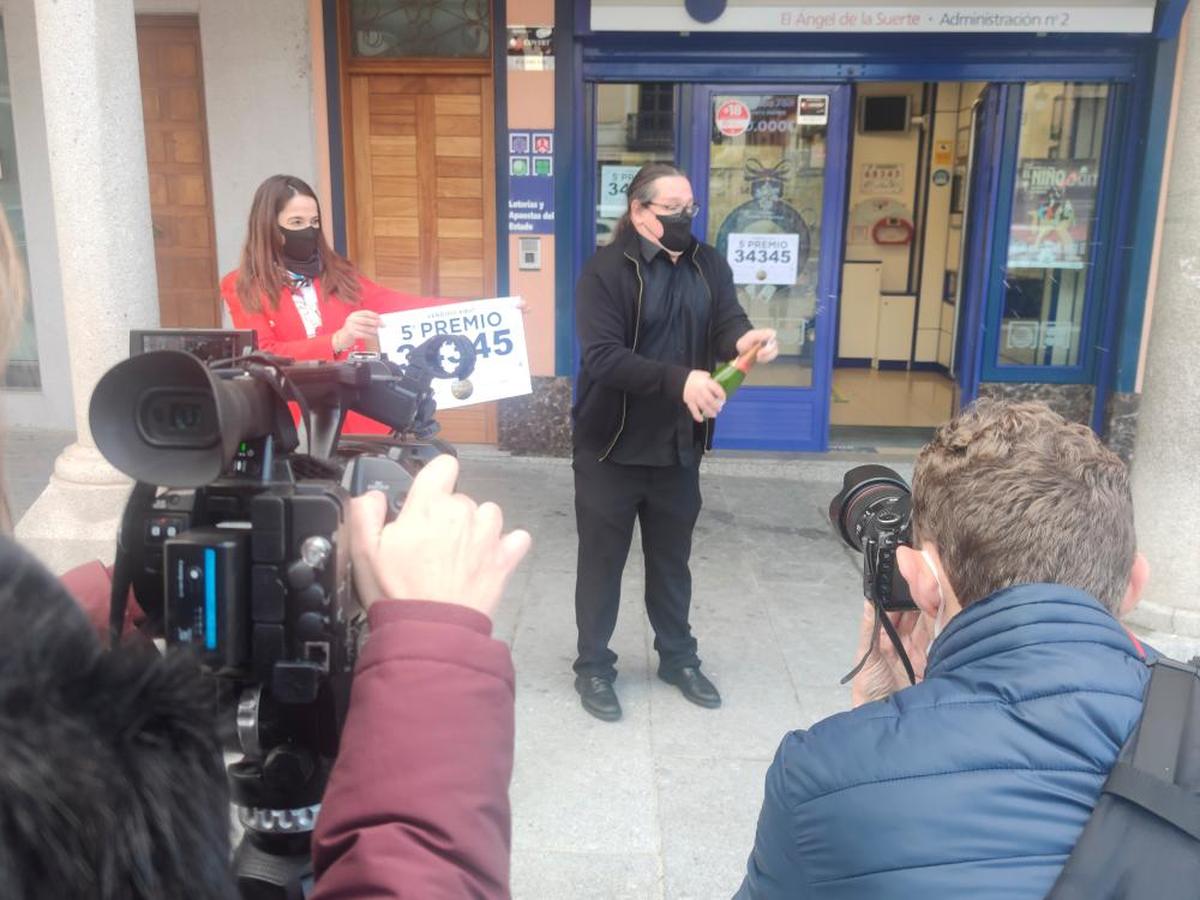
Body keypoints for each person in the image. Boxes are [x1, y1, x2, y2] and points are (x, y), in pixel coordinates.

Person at [736, 400, 1153, 898]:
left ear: (922, 583)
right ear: (1134, 583)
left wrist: (874, 723)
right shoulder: (1182, 721)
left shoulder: (818, 777)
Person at [571, 162, 780, 722]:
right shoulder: (604, 271)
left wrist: (746, 338)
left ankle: (678, 658)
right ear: (639, 212)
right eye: (674, 210)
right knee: (602, 563)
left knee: (672, 561)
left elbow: (725, 323)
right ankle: (593, 666)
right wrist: (678, 379)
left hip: (677, 445)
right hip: (610, 446)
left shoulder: (708, 263)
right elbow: (603, 357)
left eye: (692, 208)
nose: (688, 217)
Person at [221, 174, 448, 435]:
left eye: (314, 222)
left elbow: (400, 304)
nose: (309, 230)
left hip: (359, 419)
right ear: (269, 227)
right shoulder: (242, 285)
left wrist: (487, 308)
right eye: (296, 222)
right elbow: (264, 355)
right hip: (294, 424)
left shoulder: (339, 273)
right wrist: (337, 340)